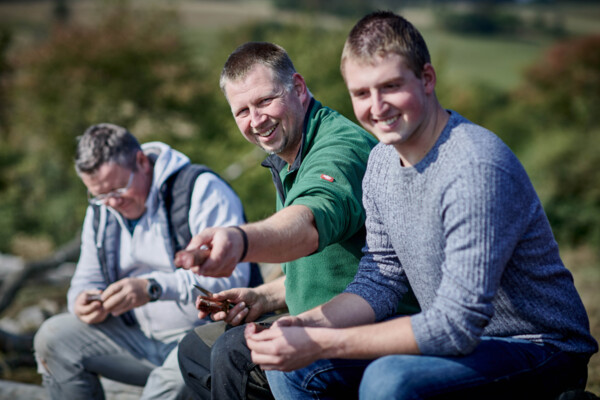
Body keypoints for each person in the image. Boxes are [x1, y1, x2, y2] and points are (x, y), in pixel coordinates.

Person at [246, 11, 599, 400]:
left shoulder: (475, 166)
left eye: (391, 86)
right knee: (292, 366)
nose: (377, 107)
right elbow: (380, 279)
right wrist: (305, 326)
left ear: (426, 80)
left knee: (391, 380)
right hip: (458, 343)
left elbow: (457, 325)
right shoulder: (381, 161)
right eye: (362, 93)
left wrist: (322, 343)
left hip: (536, 346)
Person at [175, 42, 406, 399]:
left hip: (375, 324)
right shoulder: (288, 152)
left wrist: (240, 240)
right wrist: (262, 297)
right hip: (315, 314)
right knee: (196, 348)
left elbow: (309, 224)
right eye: (242, 111)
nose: (256, 120)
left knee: (234, 356)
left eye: (265, 101)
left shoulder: (339, 150)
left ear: (298, 88)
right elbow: (326, 266)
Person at [33, 123, 252, 400]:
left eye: (117, 189)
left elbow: (232, 281)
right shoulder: (102, 210)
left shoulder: (201, 190)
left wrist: (152, 288)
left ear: (141, 162)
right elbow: (85, 280)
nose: (110, 202)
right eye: (98, 195)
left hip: (206, 337)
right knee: (52, 337)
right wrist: (81, 301)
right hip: (136, 340)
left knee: (169, 385)